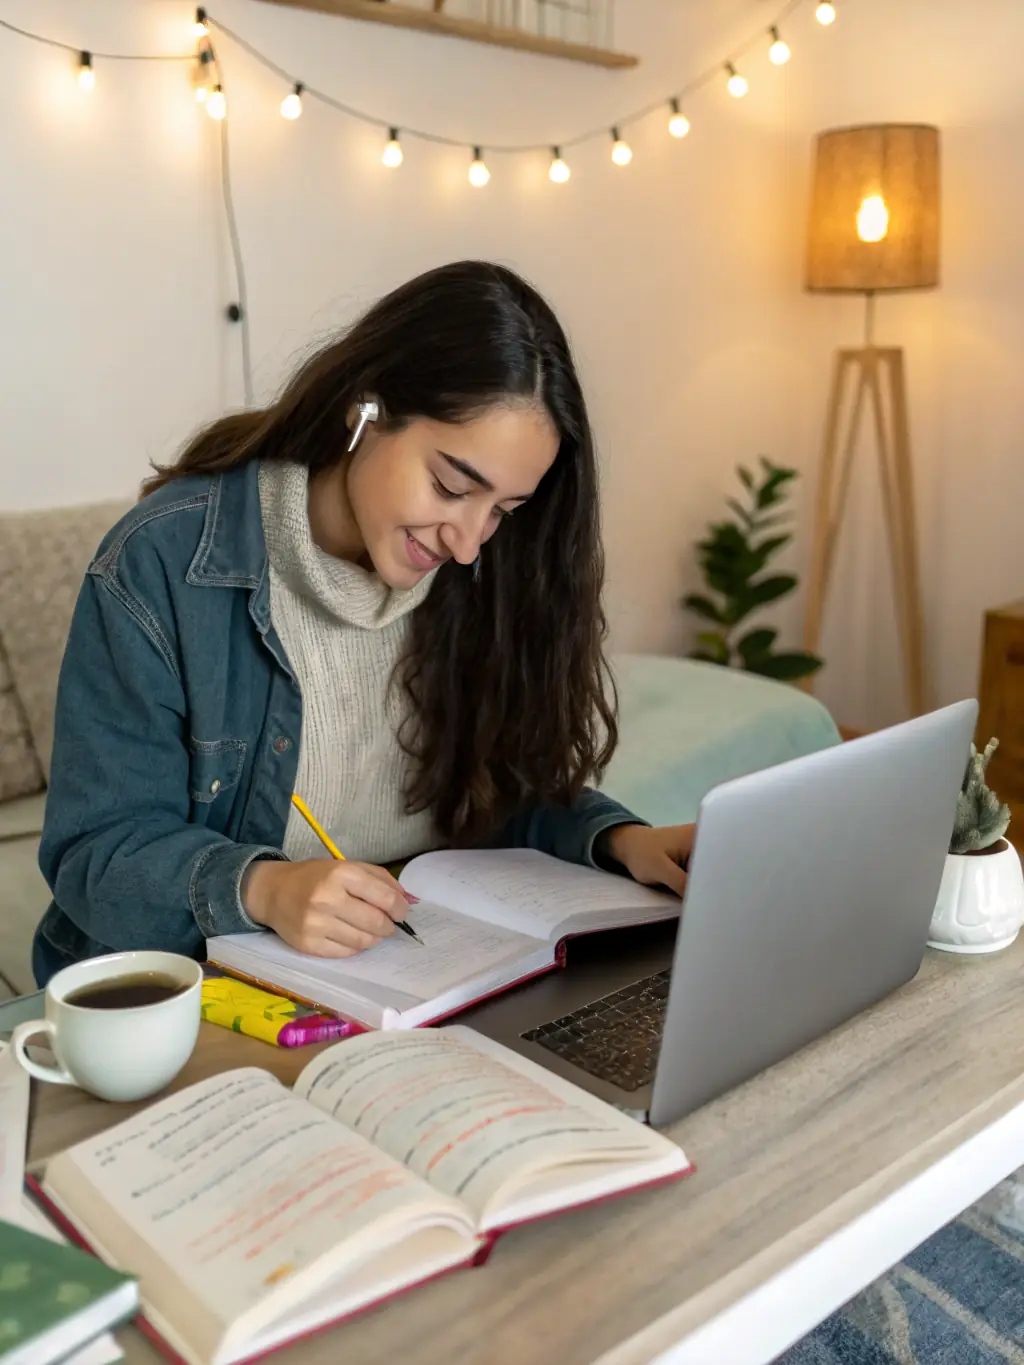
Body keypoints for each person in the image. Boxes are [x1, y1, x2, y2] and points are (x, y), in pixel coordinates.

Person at [33, 260, 694, 987]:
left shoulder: (483, 574)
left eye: (503, 511)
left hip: (395, 980)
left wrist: (620, 839)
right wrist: (264, 888)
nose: (468, 541)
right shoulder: (162, 563)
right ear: (365, 411)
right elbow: (93, 851)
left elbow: (502, 791)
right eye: (450, 485)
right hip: (194, 988)